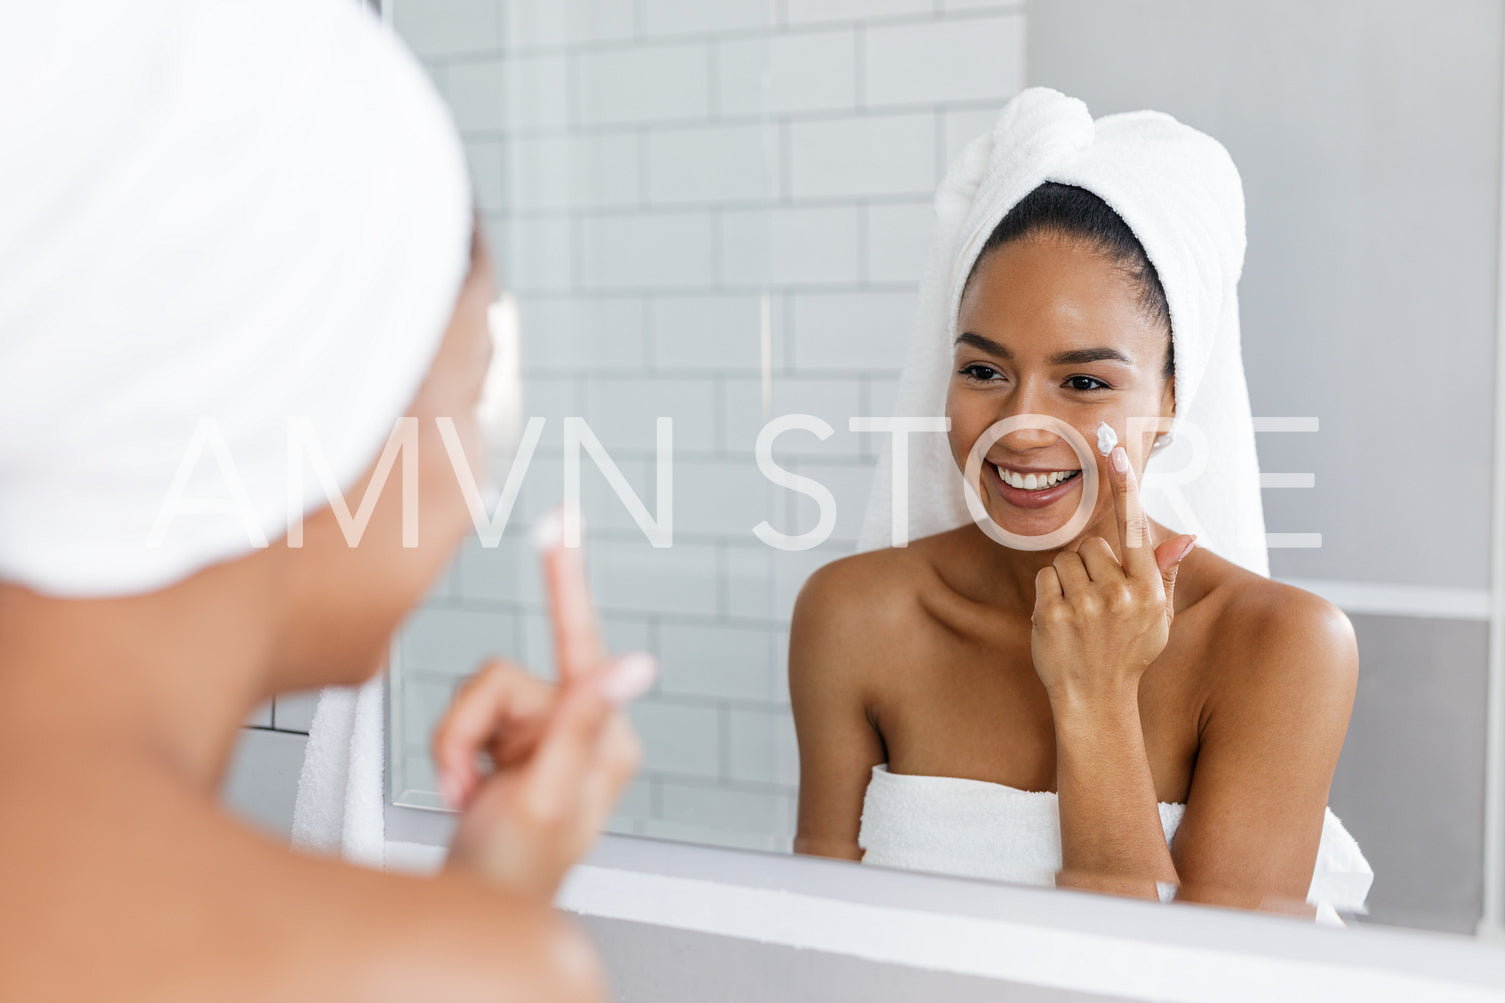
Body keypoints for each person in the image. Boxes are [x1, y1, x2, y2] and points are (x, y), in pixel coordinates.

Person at [0, 1, 646, 998]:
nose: (475, 486)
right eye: (473, 394)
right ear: (311, 404)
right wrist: (480, 933)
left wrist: (483, 895)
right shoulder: (451, 973)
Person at [789, 88, 1372, 920]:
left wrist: (1095, 699)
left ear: (1171, 397)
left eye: (1084, 381)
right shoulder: (855, 614)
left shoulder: (1278, 648)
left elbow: (1191, 988)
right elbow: (815, 946)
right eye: (983, 370)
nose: (1020, 429)